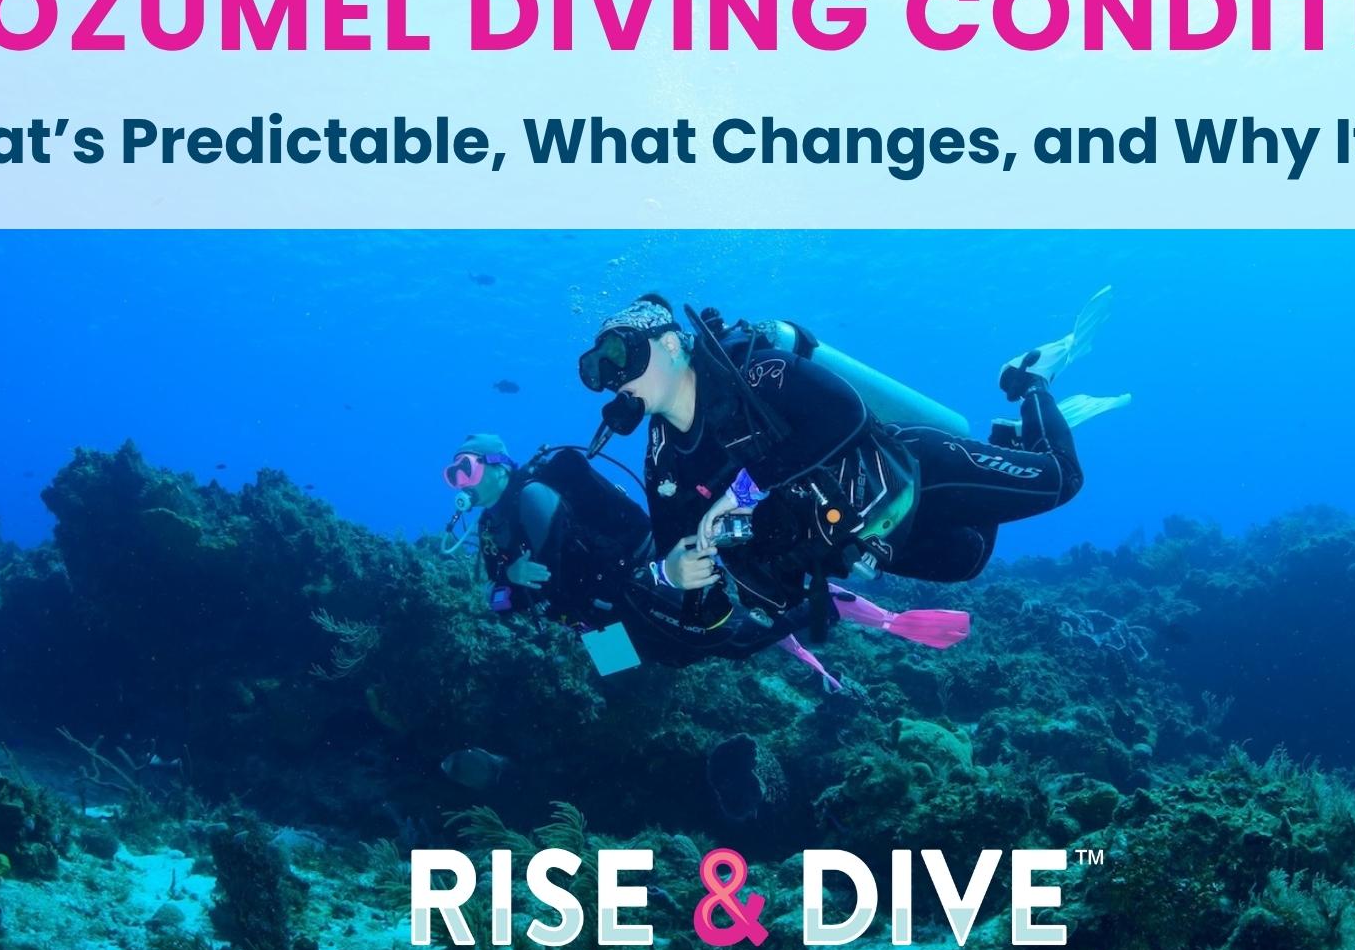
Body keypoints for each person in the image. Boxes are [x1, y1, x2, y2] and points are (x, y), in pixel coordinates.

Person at [575, 291, 1121, 633]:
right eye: (599, 370)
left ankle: (1030, 379)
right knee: (968, 559)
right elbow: (679, 545)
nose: (615, 378)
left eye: (621, 356)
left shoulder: (755, 375)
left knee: (1061, 479)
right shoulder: (662, 460)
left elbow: (843, 413)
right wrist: (675, 572)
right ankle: (1006, 440)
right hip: (863, 537)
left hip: (908, 472)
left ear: (671, 344)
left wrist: (740, 493)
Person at [440, 432, 967, 688]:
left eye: (465, 469)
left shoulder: (531, 497)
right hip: (594, 621)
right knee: (661, 665)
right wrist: (509, 579)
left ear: (497, 466)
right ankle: (806, 638)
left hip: (633, 584)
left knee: (730, 642)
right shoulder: (492, 527)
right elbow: (502, 600)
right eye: (452, 475)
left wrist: (519, 583)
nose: (459, 482)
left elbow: (557, 572)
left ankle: (842, 611)